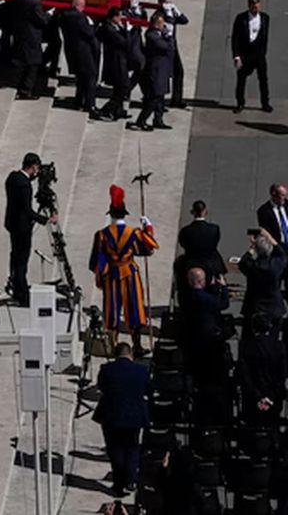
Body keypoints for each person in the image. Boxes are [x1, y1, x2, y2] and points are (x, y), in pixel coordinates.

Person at [89, 185, 159, 350]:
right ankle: (137, 345)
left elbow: (96, 260)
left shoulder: (101, 234)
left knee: (111, 310)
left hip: (111, 275)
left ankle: (113, 346)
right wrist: (147, 229)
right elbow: (147, 249)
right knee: (134, 308)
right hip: (130, 274)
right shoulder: (133, 233)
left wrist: (100, 275)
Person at [92, 343, 150, 497]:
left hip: (111, 415)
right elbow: (148, 390)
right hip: (134, 416)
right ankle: (130, 480)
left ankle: (119, 484)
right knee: (132, 447)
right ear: (130, 354)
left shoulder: (106, 369)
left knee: (115, 449)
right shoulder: (141, 370)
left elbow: (101, 387)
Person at [4, 153, 54, 307]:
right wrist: (46, 219)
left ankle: (15, 283)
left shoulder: (12, 177)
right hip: (21, 227)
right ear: (33, 166)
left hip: (11, 223)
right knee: (21, 260)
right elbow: (26, 209)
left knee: (15, 256)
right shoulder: (24, 185)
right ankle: (21, 292)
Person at [238, 313, 288, 425]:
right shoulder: (279, 346)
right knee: (273, 425)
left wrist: (258, 396)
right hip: (274, 396)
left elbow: (245, 375)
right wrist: (270, 396)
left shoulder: (246, 347)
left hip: (252, 397)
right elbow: (282, 374)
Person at [60, 0, 103, 118]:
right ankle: (90, 105)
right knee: (90, 78)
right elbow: (89, 33)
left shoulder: (64, 15)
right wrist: (92, 25)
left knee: (81, 78)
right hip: (84, 52)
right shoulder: (80, 18)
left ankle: (79, 101)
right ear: (79, 6)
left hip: (73, 51)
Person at [129, 14, 173, 131]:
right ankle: (141, 120)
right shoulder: (152, 35)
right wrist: (168, 37)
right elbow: (165, 47)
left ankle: (158, 119)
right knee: (154, 97)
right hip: (155, 70)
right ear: (156, 24)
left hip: (162, 69)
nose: (163, 25)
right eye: (161, 23)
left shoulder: (158, 34)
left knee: (160, 97)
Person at [239, 228, 286, 331]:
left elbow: (242, 262)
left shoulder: (252, 267)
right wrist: (270, 238)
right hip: (274, 307)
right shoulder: (276, 266)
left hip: (254, 306)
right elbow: (282, 254)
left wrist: (252, 249)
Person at [232, 0, 271, 113]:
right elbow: (235, 38)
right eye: (254, 7)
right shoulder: (241, 18)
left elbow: (264, 36)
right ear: (249, 6)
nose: (256, 9)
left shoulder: (265, 18)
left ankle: (265, 103)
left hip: (259, 54)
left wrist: (263, 52)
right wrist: (236, 55)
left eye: (258, 7)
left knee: (263, 80)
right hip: (245, 54)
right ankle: (240, 103)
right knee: (241, 80)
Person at [13, 0, 49, 100]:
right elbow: (42, 20)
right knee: (33, 64)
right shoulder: (35, 2)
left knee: (24, 60)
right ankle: (25, 90)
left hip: (21, 33)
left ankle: (21, 86)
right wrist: (48, 15)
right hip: (31, 36)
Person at [177, 200, 225, 283]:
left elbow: (183, 244)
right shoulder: (214, 229)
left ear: (192, 212)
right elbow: (215, 243)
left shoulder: (185, 231)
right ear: (205, 212)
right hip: (210, 263)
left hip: (191, 263)